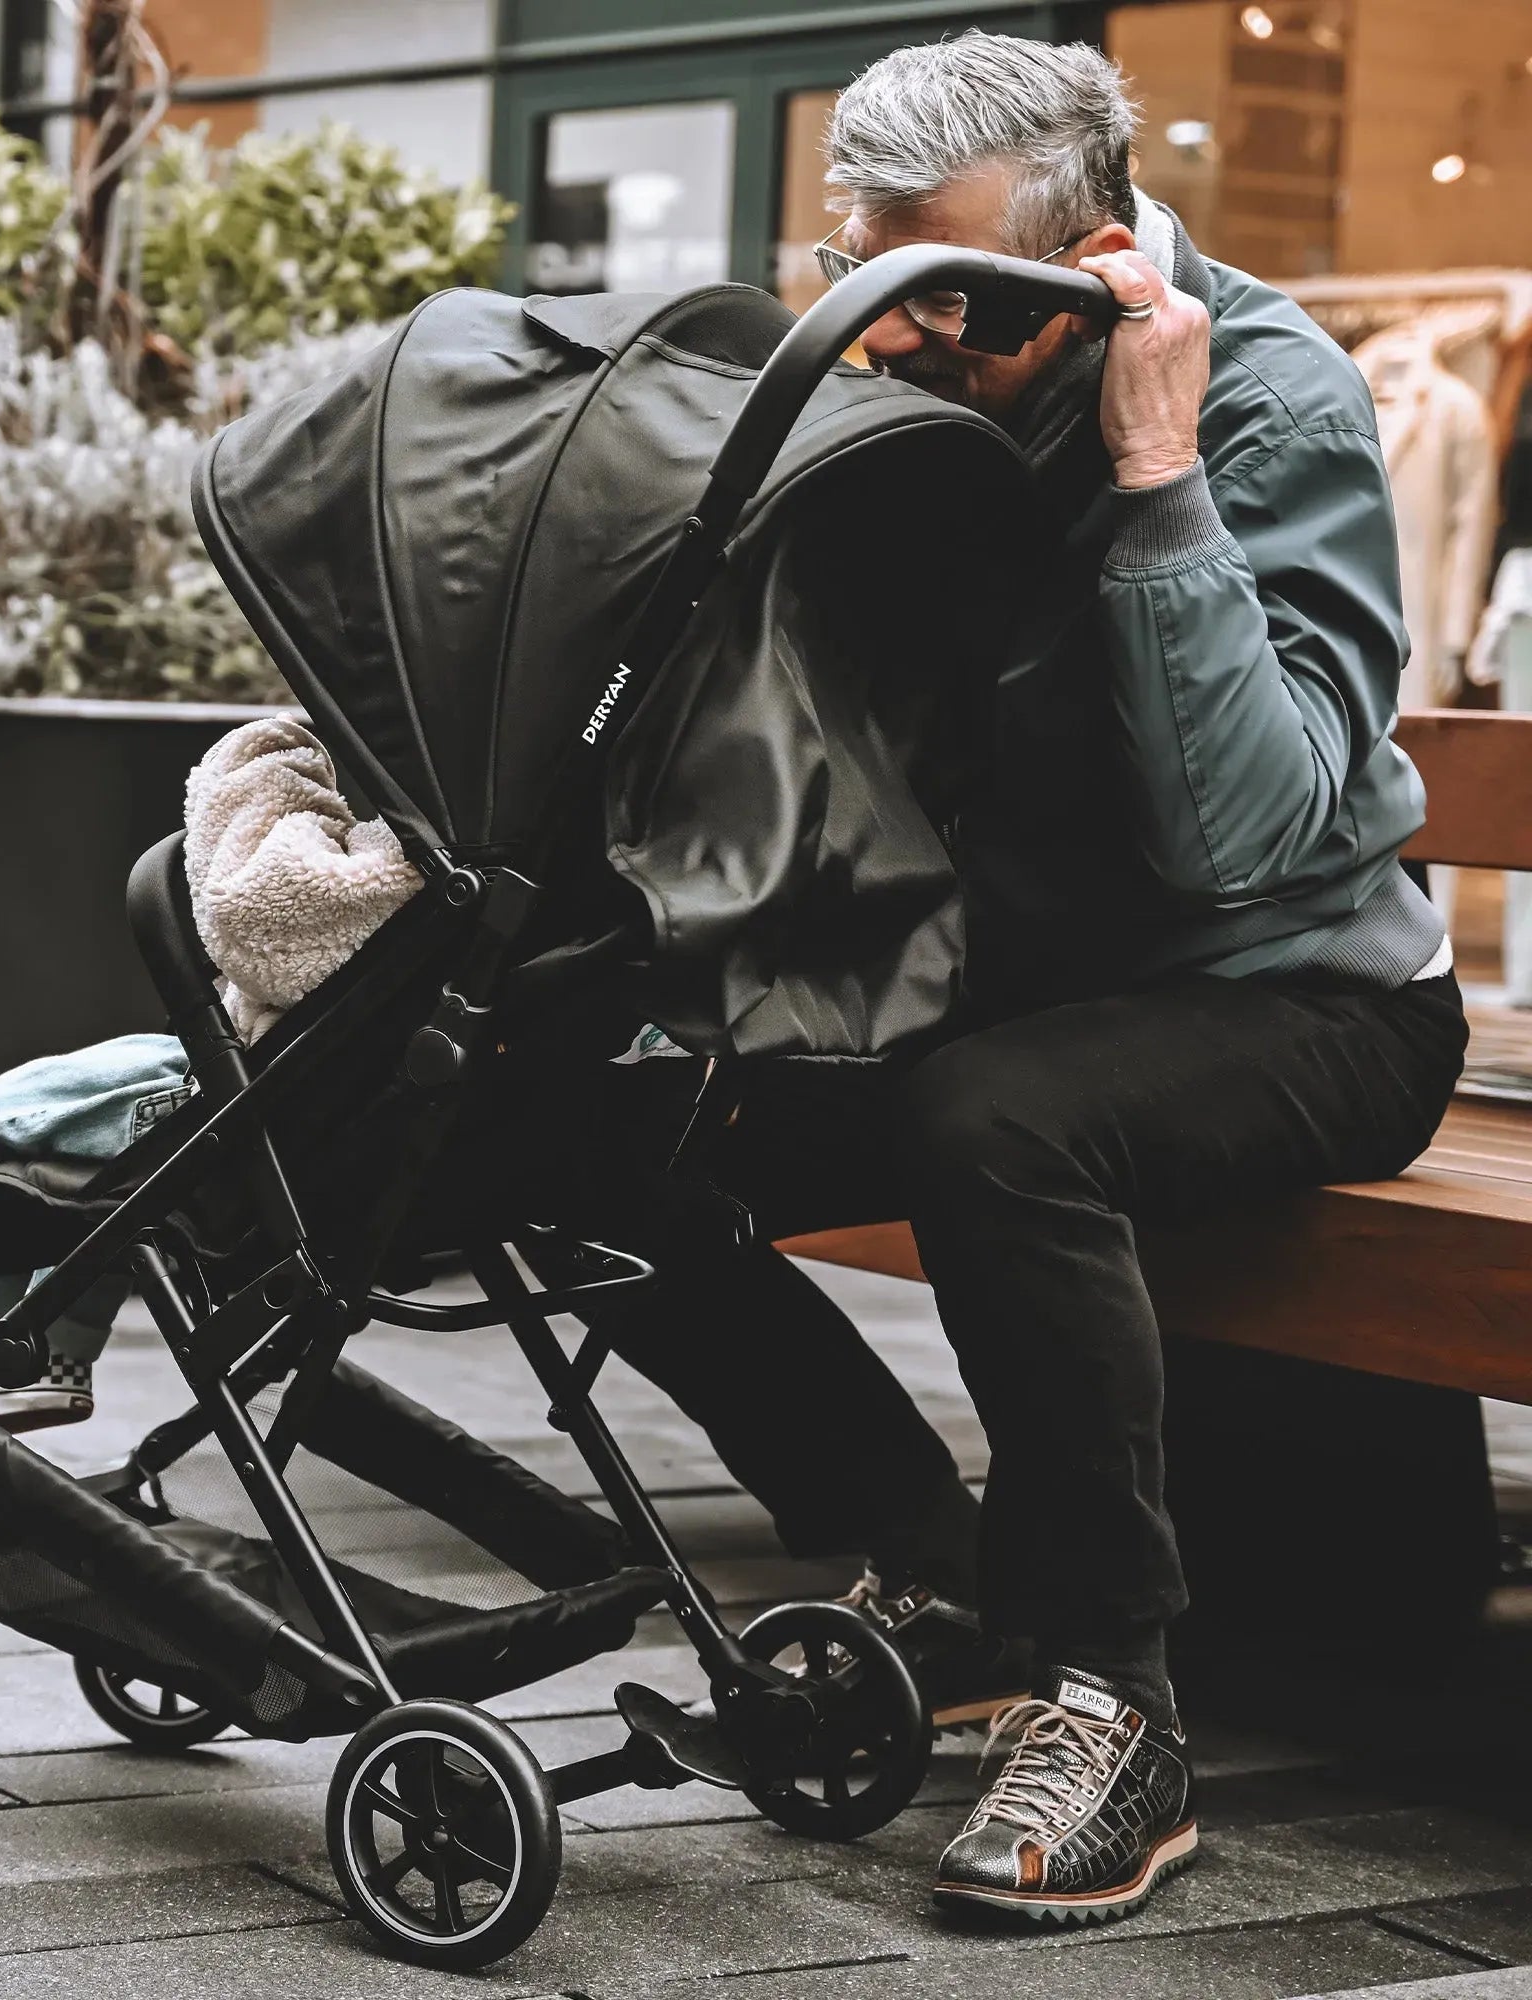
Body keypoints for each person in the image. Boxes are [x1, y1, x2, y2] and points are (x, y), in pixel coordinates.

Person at [575, 29, 1467, 1926]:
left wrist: (1154, 469)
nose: (901, 334)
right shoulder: (910, 395)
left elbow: (1249, 830)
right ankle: (929, 1564)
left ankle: (1109, 1699)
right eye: (867, 275)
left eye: (960, 302)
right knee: (604, 1121)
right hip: (1016, 984)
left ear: (1099, 259)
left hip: (1302, 994)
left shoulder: (1270, 408)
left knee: (992, 1124)